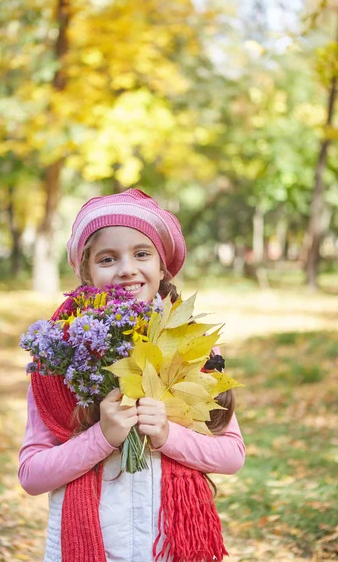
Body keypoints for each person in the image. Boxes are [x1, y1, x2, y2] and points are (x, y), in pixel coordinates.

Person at [18, 188, 245, 562]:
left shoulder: (193, 346)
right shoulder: (59, 357)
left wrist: (167, 435)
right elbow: (31, 475)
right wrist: (101, 437)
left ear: (162, 267)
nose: (126, 268)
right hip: (91, 544)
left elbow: (231, 455)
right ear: (86, 272)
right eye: (108, 258)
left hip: (171, 541)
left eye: (142, 253)